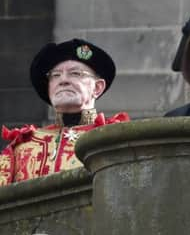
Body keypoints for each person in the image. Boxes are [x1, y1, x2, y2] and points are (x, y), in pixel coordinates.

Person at [0, 39, 129, 185]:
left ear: (97, 87)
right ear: (49, 89)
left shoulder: (115, 140)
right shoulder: (22, 148)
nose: (63, 80)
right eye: (55, 75)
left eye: (75, 73)